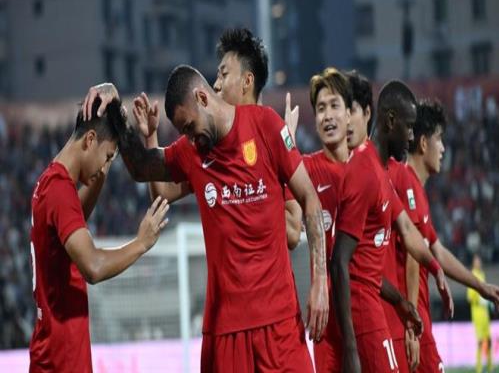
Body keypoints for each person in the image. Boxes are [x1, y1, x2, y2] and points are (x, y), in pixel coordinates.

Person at [83, 65, 329, 372]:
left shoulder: (266, 125)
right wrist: (116, 107)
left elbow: (311, 200)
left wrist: (320, 281)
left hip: (280, 324)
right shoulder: (192, 152)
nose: (189, 137)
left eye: (189, 126)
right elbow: (142, 168)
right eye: (184, 132)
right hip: (225, 330)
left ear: (202, 97)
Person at [284, 68, 421, 373]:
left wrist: (400, 300)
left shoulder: (368, 170)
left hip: (361, 313)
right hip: (326, 322)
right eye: (320, 108)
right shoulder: (304, 172)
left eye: (334, 106)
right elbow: (291, 232)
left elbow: (362, 265)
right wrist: (286, 150)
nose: (327, 116)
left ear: (350, 114)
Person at [29, 98, 169, 372]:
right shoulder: (59, 191)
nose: (105, 165)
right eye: (107, 156)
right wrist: (141, 243)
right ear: (90, 139)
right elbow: (93, 266)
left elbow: (73, 219)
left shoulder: (49, 181)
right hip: (62, 359)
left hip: (51, 351)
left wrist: (101, 175)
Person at [131, 27, 302, 249]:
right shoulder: (201, 143)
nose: (216, 85)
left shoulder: (272, 136)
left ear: (247, 81)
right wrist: (151, 137)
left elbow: (293, 234)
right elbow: (162, 194)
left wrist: (285, 153)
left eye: (224, 75)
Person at [332, 77, 453, 373]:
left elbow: (406, 231)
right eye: (408, 127)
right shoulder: (364, 172)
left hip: (374, 304)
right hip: (362, 313)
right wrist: (350, 349)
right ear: (390, 120)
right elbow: (340, 262)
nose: (411, 137)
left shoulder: (381, 171)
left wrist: (407, 297)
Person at [405, 99, 499, 372]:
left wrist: (480, 286)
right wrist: (411, 323)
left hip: (417, 319)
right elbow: (412, 257)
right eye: (439, 139)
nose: (444, 148)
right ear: (424, 143)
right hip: (412, 323)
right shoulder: (405, 183)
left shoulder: (418, 191)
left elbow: (436, 249)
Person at [467, 254, 493, 373]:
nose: (479, 262)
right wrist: (479, 298)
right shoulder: (472, 275)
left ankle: (490, 367)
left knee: (488, 341)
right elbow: (470, 297)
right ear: (473, 263)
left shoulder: (482, 275)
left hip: (485, 314)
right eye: (476, 260)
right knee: (480, 341)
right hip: (477, 313)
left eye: (479, 260)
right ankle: (479, 369)